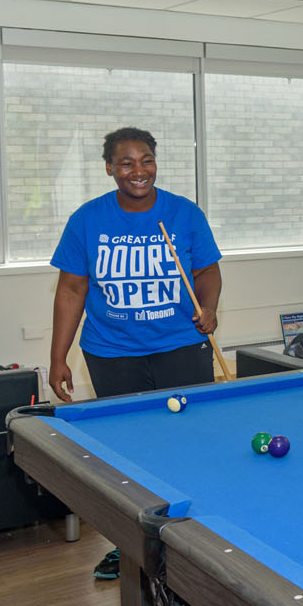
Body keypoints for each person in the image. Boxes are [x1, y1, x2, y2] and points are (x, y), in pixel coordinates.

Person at [48, 126, 223, 580]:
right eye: (126, 163)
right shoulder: (87, 219)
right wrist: (57, 357)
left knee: (190, 445)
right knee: (126, 457)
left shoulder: (184, 213)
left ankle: (197, 544)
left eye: (146, 160)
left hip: (180, 347)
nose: (138, 171)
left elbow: (207, 271)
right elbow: (70, 290)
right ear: (109, 168)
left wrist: (209, 308)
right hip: (112, 352)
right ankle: (126, 547)